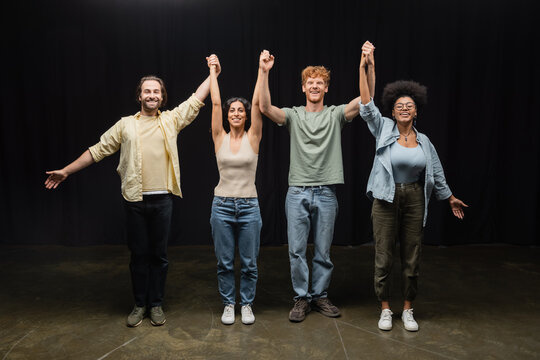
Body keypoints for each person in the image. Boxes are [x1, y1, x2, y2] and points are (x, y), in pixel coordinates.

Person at [44, 70, 213, 327]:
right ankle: (139, 304)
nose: (152, 95)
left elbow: (196, 100)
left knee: (159, 255)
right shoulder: (125, 125)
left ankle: (155, 304)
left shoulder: (171, 120)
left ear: (162, 96)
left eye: (156, 91)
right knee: (138, 255)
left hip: (163, 200)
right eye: (147, 91)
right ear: (139, 96)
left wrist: (213, 73)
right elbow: (97, 150)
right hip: (134, 200)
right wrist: (66, 170)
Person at [358, 41, 468, 331]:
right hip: (385, 196)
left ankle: (407, 309)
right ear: (392, 113)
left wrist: (450, 197)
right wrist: (365, 65)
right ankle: (385, 308)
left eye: (409, 106)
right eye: (399, 106)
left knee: (412, 255)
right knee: (383, 255)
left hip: (415, 197)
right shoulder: (383, 130)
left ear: (416, 112)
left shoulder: (425, 141)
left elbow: (437, 174)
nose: (404, 109)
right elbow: (366, 104)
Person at [259, 50, 375, 322]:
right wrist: (264, 72)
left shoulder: (336, 115)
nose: (314, 85)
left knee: (323, 251)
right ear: (303, 87)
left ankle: (319, 295)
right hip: (297, 191)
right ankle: (302, 297)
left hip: (326, 192)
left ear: (326, 88)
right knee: (297, 250)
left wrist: (367, 66)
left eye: (319, 82)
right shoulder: (294, 115)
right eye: (310, 82)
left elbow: (366, 99)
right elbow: (265, 108)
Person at [206, 53, 263, 325]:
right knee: (225, 263)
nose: (237, 113)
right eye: (233, 110)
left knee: (250, 263)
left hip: (250, 207)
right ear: (227, 116)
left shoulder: (254, 136)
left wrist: (261, 70)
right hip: (222, 206)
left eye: (241, 110)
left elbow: (257, 104)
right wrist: (213, 73)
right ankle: (229, 303)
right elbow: (215, 102)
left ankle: (247, 304)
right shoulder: (219, 137)